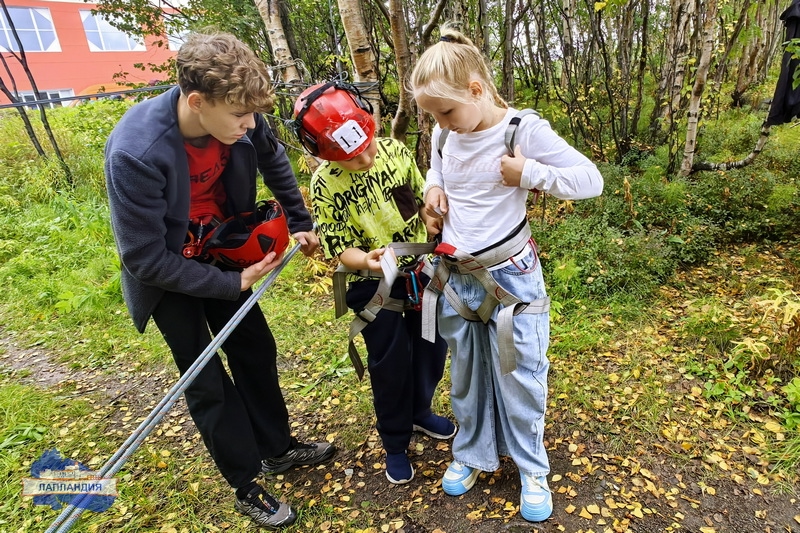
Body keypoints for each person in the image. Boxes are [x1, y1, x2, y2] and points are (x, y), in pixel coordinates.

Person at [104, 31, 336, 529]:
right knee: (205, 377)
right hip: (169, 273)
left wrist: (298, 221)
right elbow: (144, 259)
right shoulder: (134, 152)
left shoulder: (242, 114)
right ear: (196, 101)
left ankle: (278, 448)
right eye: (239, 117)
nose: (250, 125)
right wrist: (230, 287)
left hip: (224, 248)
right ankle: (245, 480)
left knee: (254, 347)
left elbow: (273, 157)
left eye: (253, 115)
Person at [410, 26, 603, 522]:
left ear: (476, 90)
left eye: (446, 111)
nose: (441, 124)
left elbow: (590, 181)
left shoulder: (521, 130)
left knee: (520, 375)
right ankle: (471, 453)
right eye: (433, 115)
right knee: (467, 373)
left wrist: (530, 174)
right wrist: (434, 194)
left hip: (510, 279)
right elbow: (438, 169)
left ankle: (531, 468)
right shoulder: (442, 132)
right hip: (455, 277)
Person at [292, 81, 456, 485]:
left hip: (419, 274)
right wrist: (363, 260)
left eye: (367, 147)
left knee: (432, 348)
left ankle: (420, 411)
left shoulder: (395, 153)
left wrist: (431, 216)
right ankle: (395, 442)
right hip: (373, 286)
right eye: (352, 158)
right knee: (390, 362)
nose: (365, 158)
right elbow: (338, 246)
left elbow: (415, 202)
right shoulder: (325, 184)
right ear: (327, 156)